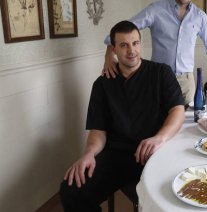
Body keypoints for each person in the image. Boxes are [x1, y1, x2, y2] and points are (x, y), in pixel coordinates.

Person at [59, 20, 185, 211]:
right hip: (116, 156)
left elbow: (177, 110)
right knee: (71, 189)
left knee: (171, 197)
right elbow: (98, 130)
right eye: (124, 45)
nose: (131, 50)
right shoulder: (102, 85)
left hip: (154, 153)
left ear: (141, 44)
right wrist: (88, 154)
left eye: (135, 43)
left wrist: (159, 138)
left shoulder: (161, 73)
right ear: (113, 49)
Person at [102, 0, 207, 105]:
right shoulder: (156, 10)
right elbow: (126, 28)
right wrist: (109, 53)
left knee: (185, 122)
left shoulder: (200, 17)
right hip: (158, 79)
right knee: (158, 120)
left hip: (186, 82)